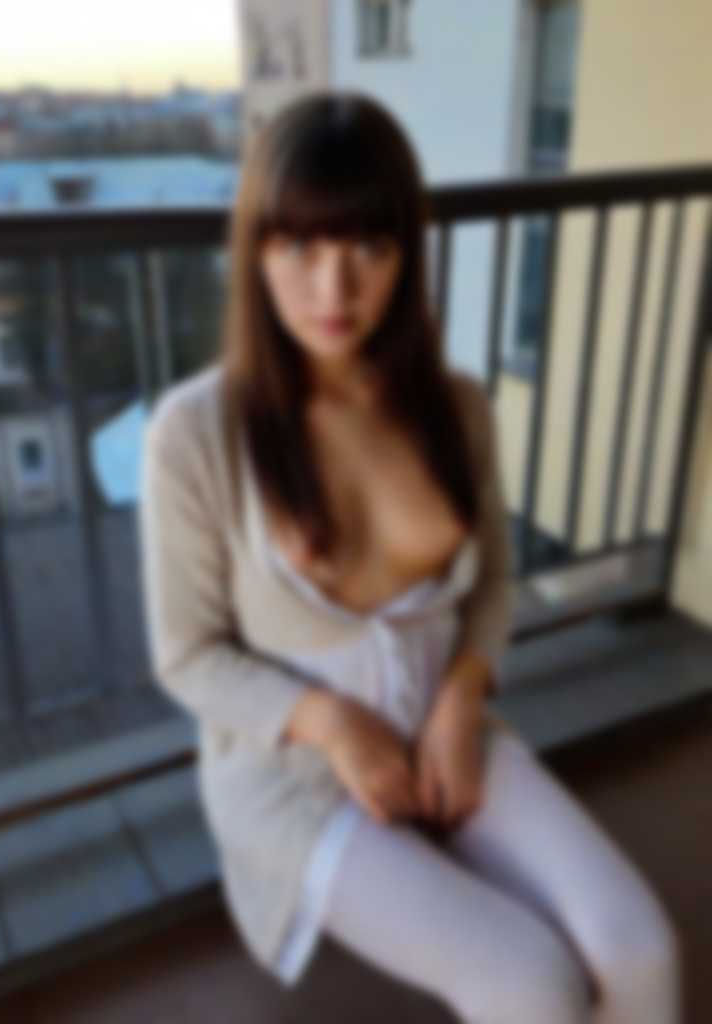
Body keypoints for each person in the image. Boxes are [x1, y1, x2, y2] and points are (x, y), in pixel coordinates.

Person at [138, 90, 682, 1022]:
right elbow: (187, 655)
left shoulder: (454, 407)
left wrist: (463, 697)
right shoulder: (196, 434)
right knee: (533, 982)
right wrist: (331, 724)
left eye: (368, 247)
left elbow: (494, 582)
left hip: (443, 724)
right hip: (295, 777)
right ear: (255, 249)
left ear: (407, 253)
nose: (334, 290)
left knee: (643, 950)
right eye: (300, 247)